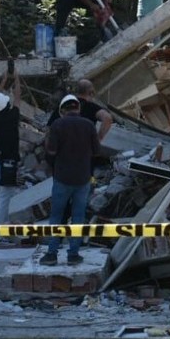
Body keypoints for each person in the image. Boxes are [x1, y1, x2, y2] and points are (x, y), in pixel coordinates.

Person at [41, 95, 100, 266]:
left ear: (63, 110)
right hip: (83, 179)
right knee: (78, 216)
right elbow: (96, 150)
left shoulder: (57, 125)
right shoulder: (89, 125)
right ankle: (73, 254)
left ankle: (52, 254)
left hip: (62, 178)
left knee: (57, 216)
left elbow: (51, 152)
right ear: (78, 108)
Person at [0, 61, 22, 225]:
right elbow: (18, 97)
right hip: (7, 164)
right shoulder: (11, 117)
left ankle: (3, 226)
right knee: (4, 199)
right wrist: (16, 79)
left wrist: (3, 82)